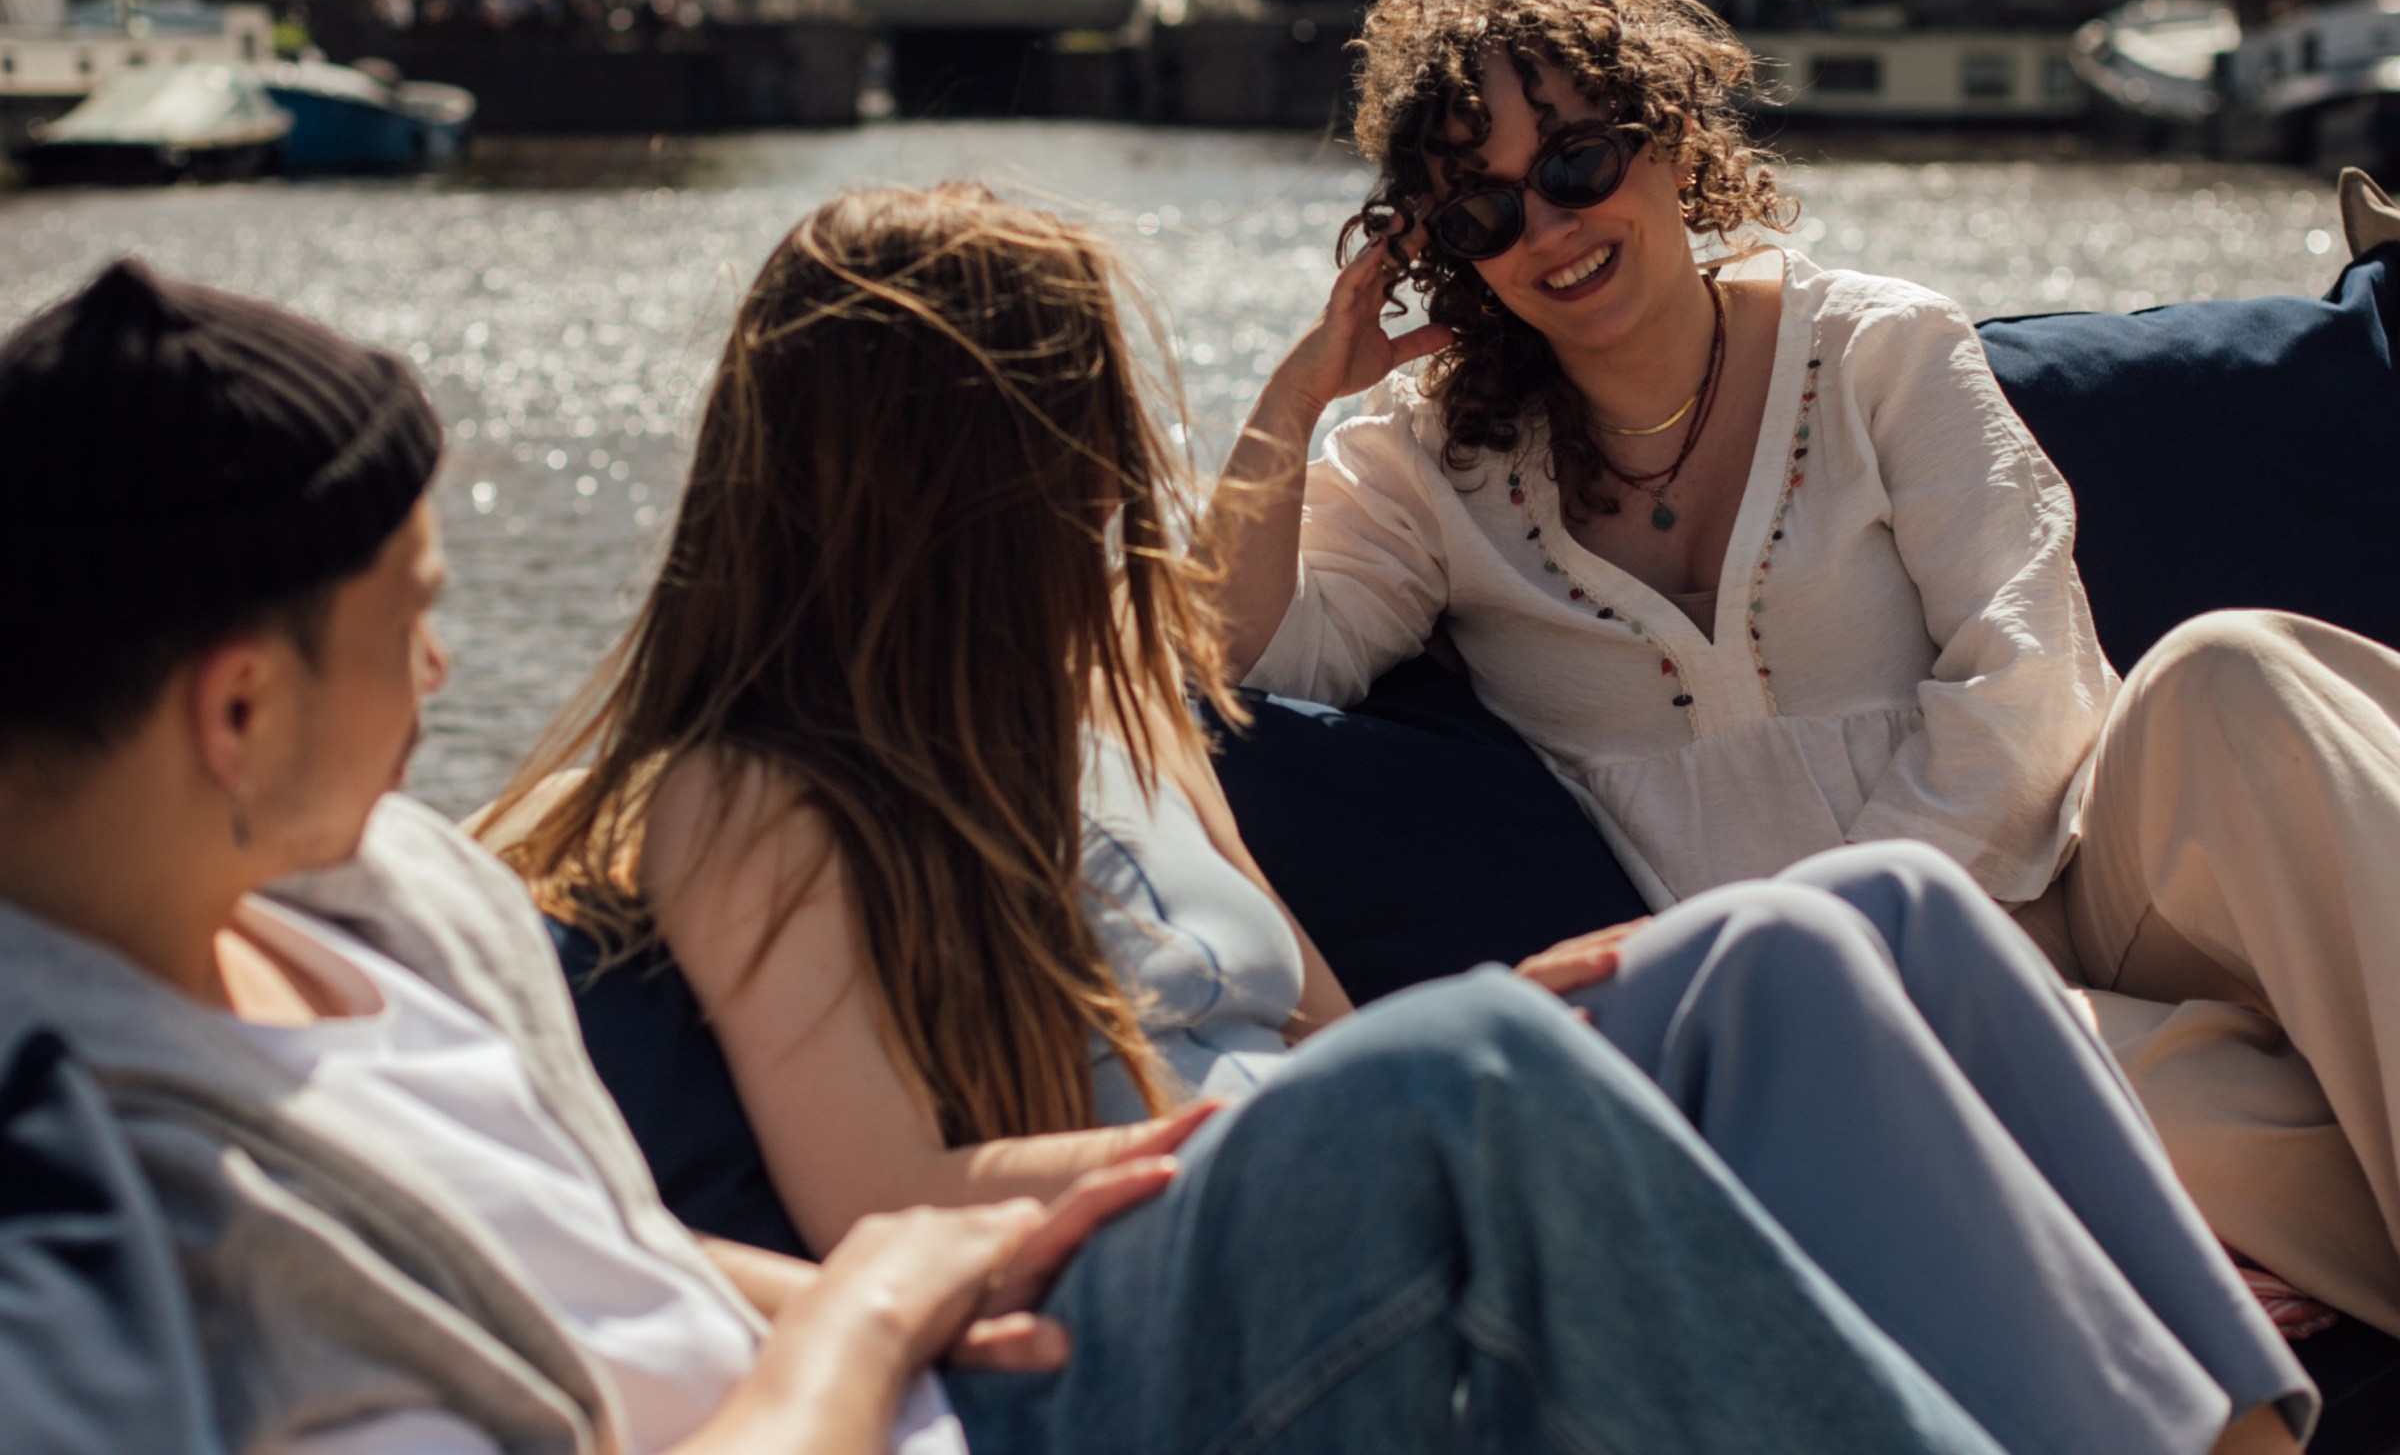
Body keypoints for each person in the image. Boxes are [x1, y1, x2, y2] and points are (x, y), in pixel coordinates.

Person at [0, 267, 2058, 1455]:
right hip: (953, 1398)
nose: (450, 664)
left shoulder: (392, 905)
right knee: (1470, 1095)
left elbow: (623, 1244)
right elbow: (842, 1248)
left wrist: (853, 1292)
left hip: (923, 1350)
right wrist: (869, 1310)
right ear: (237, 713)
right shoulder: (111, 1222)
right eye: (410, 617)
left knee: (1847, 917)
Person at [492, 185, 2308, 1455]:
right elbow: (885, 1205)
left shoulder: (1115, 704)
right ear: (929, 482)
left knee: (1844, 929)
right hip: (1158, 1253)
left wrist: (1531, 990)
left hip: (1323, 1134)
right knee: (1474, 1078)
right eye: (1082, 437)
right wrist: (1352, 1095)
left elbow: (1317, 1027)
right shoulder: (756, 790)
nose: (1119, 475)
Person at [1201, 0, 2400, 1340]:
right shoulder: (1431, 467)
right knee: (2161, 1107)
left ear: (1672, 135)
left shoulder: (1876, 351)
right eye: (1485, 206)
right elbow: (1247, 655)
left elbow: (2032, 683)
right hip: (1826, 1053)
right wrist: (1296, 392)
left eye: (1577, 160)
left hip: (2067, 908)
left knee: (2237, 676)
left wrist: (1854, 938)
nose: (1550, 226)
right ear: (1442, 245)